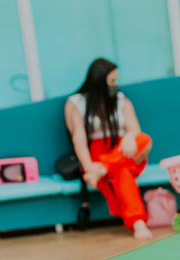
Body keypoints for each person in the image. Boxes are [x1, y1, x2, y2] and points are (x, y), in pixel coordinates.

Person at [65, 58, 154, 240]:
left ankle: (105, 169)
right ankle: (138, 223)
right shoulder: (75, 103)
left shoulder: (121, 100)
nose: (115, 85)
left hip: (123, 152)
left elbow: (135, 130)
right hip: (95, 160)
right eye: (112, 81)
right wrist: (89, 167)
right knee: (123, 172)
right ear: (98, 82)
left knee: (144, 139)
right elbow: (79, 140)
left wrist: (128, 137)